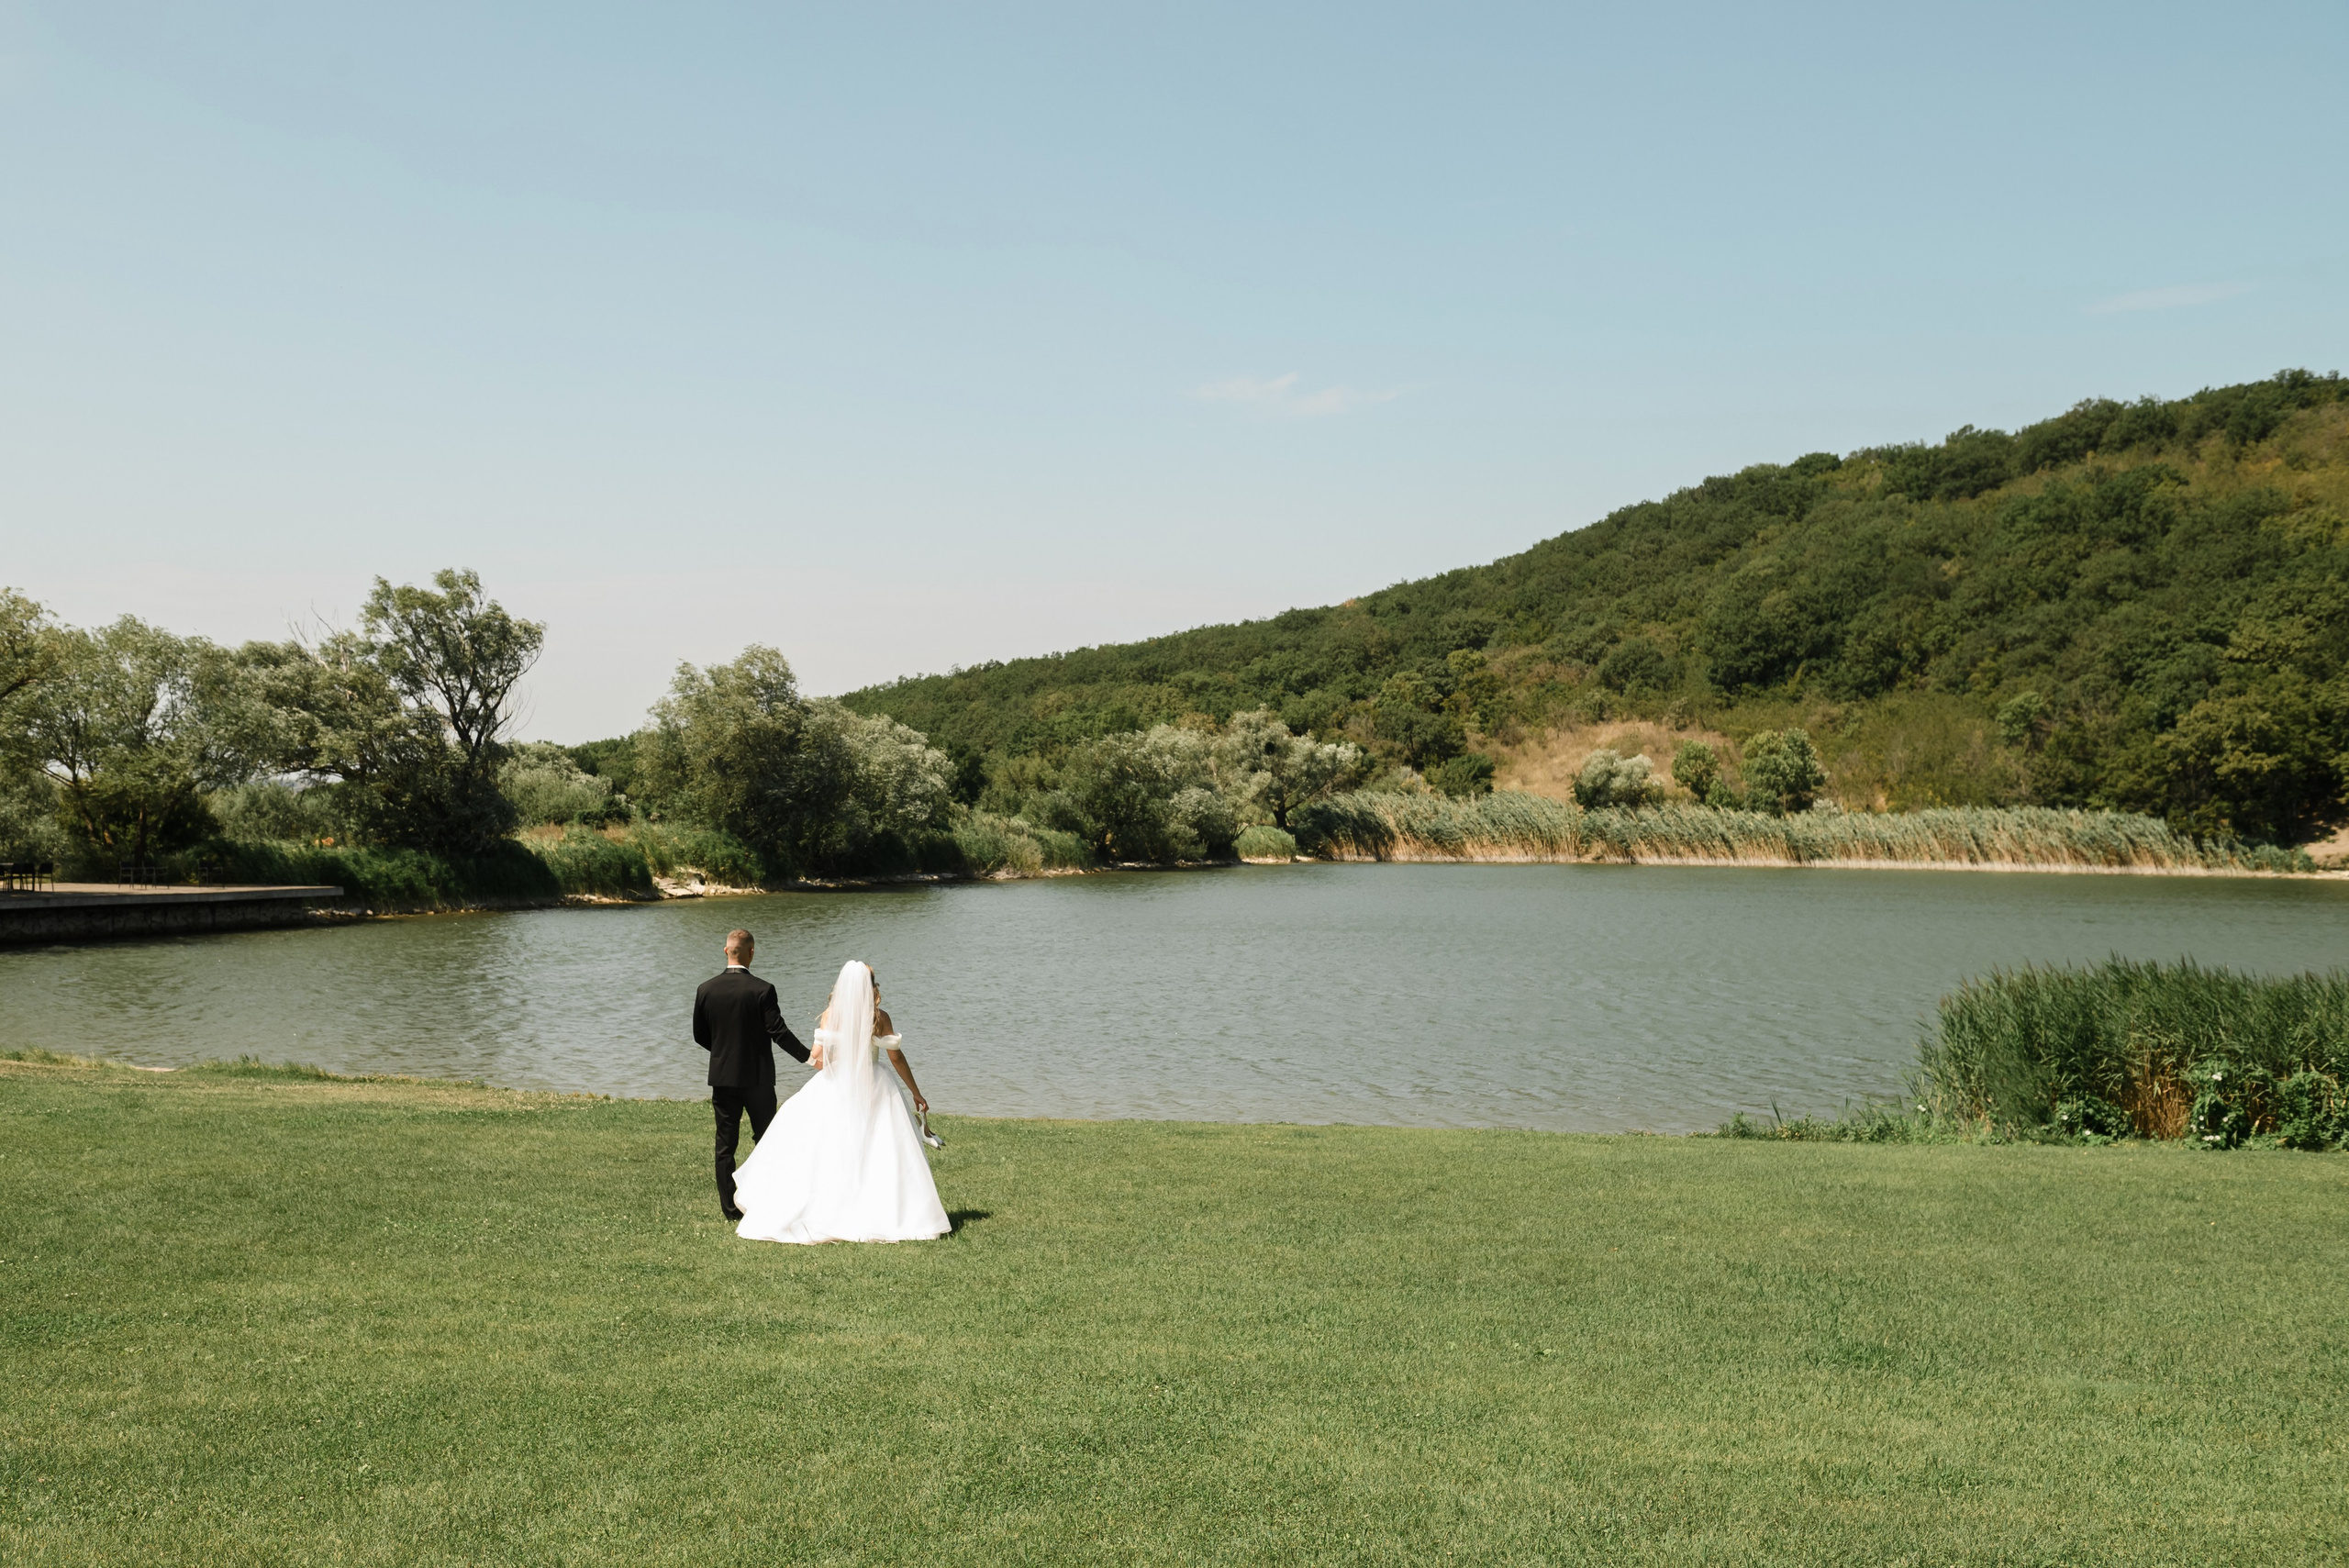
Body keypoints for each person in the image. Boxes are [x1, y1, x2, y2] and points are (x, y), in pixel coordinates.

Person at [731, 960, 950, 1244]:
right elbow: (895, 1056)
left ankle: (827, 1206)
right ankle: (882, 1210)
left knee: (830, 1146)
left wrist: (836, 1065)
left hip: (836, 1084)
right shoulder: (879, 1017)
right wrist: (915, 1092)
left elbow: (818, 1057)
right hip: (875, 1083)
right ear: (870, 988)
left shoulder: (830, 1015)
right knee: (878, 1147)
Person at [691, 928, 809, 1221]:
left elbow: (699, 1035)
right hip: (758, 1079)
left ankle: (730, 1211)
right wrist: (808, 1057)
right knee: (767, 1141)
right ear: (751, 952)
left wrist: (722, 1053)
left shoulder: (705, 989)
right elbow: (778, 1032)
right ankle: (768, 1201)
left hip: (722, 1078)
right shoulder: (762, 989)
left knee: (725, 1144)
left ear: (726, 951)